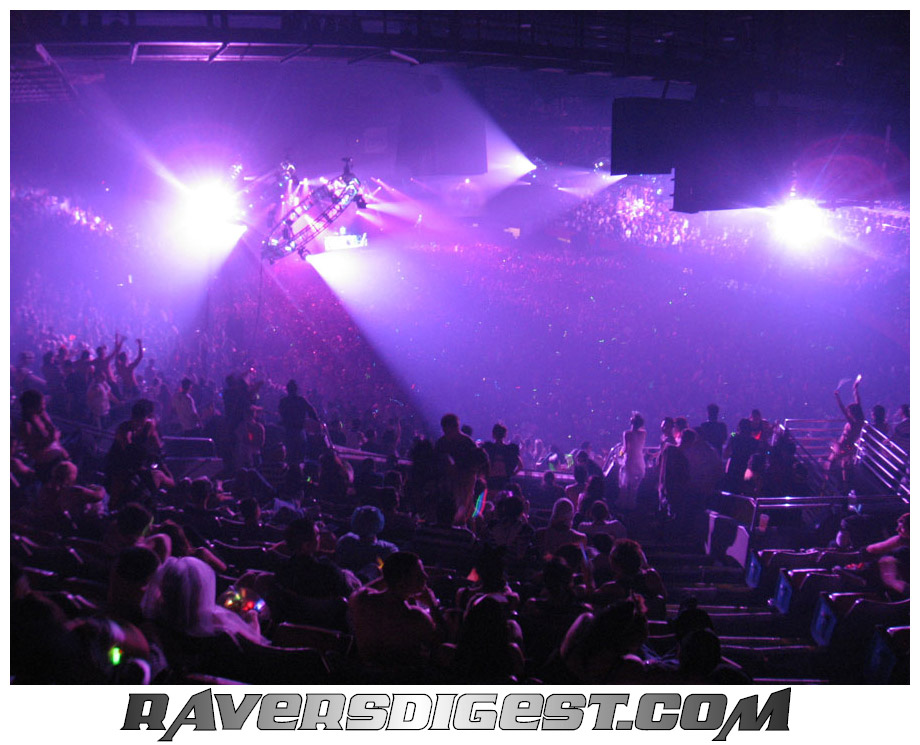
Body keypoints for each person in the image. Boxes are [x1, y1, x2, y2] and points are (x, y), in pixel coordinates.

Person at [348, 552, 444, 673]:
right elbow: (441, 642)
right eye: (419, 575)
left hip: (363, 673)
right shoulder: (415, 616)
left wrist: (391, 578)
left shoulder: (361, 600)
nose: (426, 577)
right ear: (403, 580)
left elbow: (362, 589)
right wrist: (433, 605)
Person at [435, 413, 489, 526]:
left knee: (464, 509)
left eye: (447, 429)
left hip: (464, 483)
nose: (445, 432)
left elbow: (478, 462)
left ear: (455, 427)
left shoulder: (467, 443)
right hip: (447, 483)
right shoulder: (441, 443)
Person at [830, 379, 864, 491]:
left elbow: (842, 409)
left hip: (844, 445)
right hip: (848, 446)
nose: (848, 412)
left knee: (835, 463)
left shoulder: (853, 422)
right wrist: (855, 388)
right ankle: (845, 486)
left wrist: (837, 397)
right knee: (843, 465)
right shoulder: (860, 421)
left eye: (849, 411)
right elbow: (858, 401)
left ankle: (838, 485)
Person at [481, 423, 523, 496]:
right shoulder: (510, 450)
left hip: (491, 479)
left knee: (490, 499)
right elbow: (520, 465)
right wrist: (512, 473)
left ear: (493, 434)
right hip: (504, 479)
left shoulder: (489, 448)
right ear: (505, 435)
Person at [618, 413, 647, 510]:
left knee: (627, 485)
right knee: (635, 485)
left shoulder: (627, 434)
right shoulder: (643, 433)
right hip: (639, 460)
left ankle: (625, 506)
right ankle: (633, 505)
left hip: (630, 460)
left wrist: (619, 454)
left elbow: (625, 448)